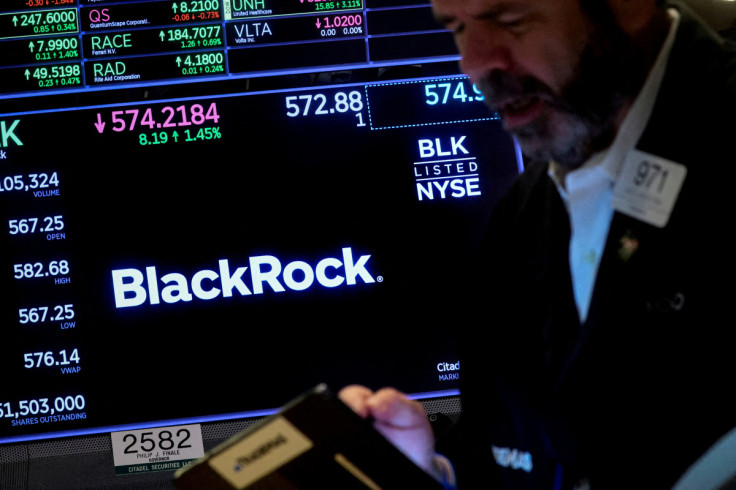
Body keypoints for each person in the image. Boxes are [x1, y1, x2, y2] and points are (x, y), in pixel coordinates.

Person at [340, 0, 736, 488]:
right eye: (458, 28)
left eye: (509, 19)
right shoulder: (524, 213)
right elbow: (521, 453)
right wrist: (426, 471)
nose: (475, 62)